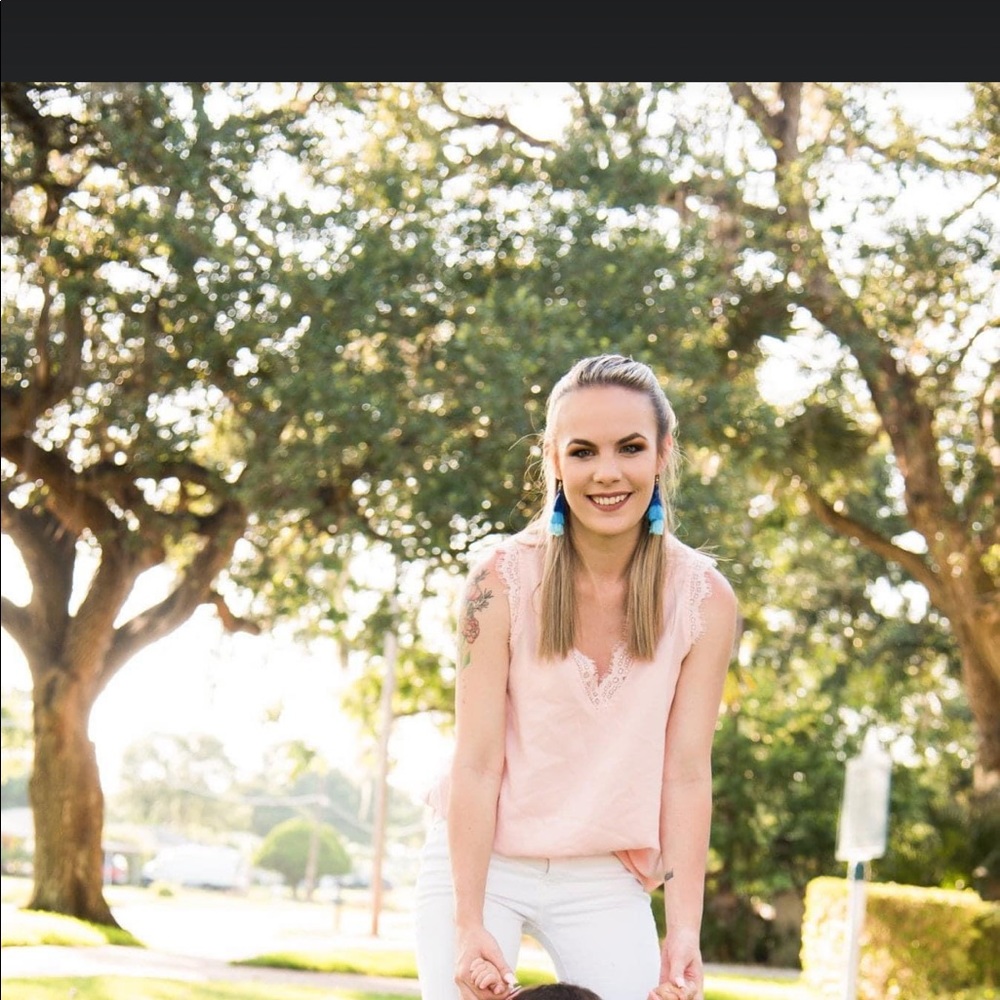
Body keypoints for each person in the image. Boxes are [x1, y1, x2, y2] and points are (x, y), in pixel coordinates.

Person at [415, 354, 739, 1000]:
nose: (608, 472)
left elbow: (686, 772)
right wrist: (469, 919)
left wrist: (683, 933)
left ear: (662, 453)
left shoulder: (704, 599)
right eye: (583, 451)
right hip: (484, 862)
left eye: (631, 447)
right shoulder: (499, 583)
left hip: (603, 873)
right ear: (554, 460)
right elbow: (477, 764)